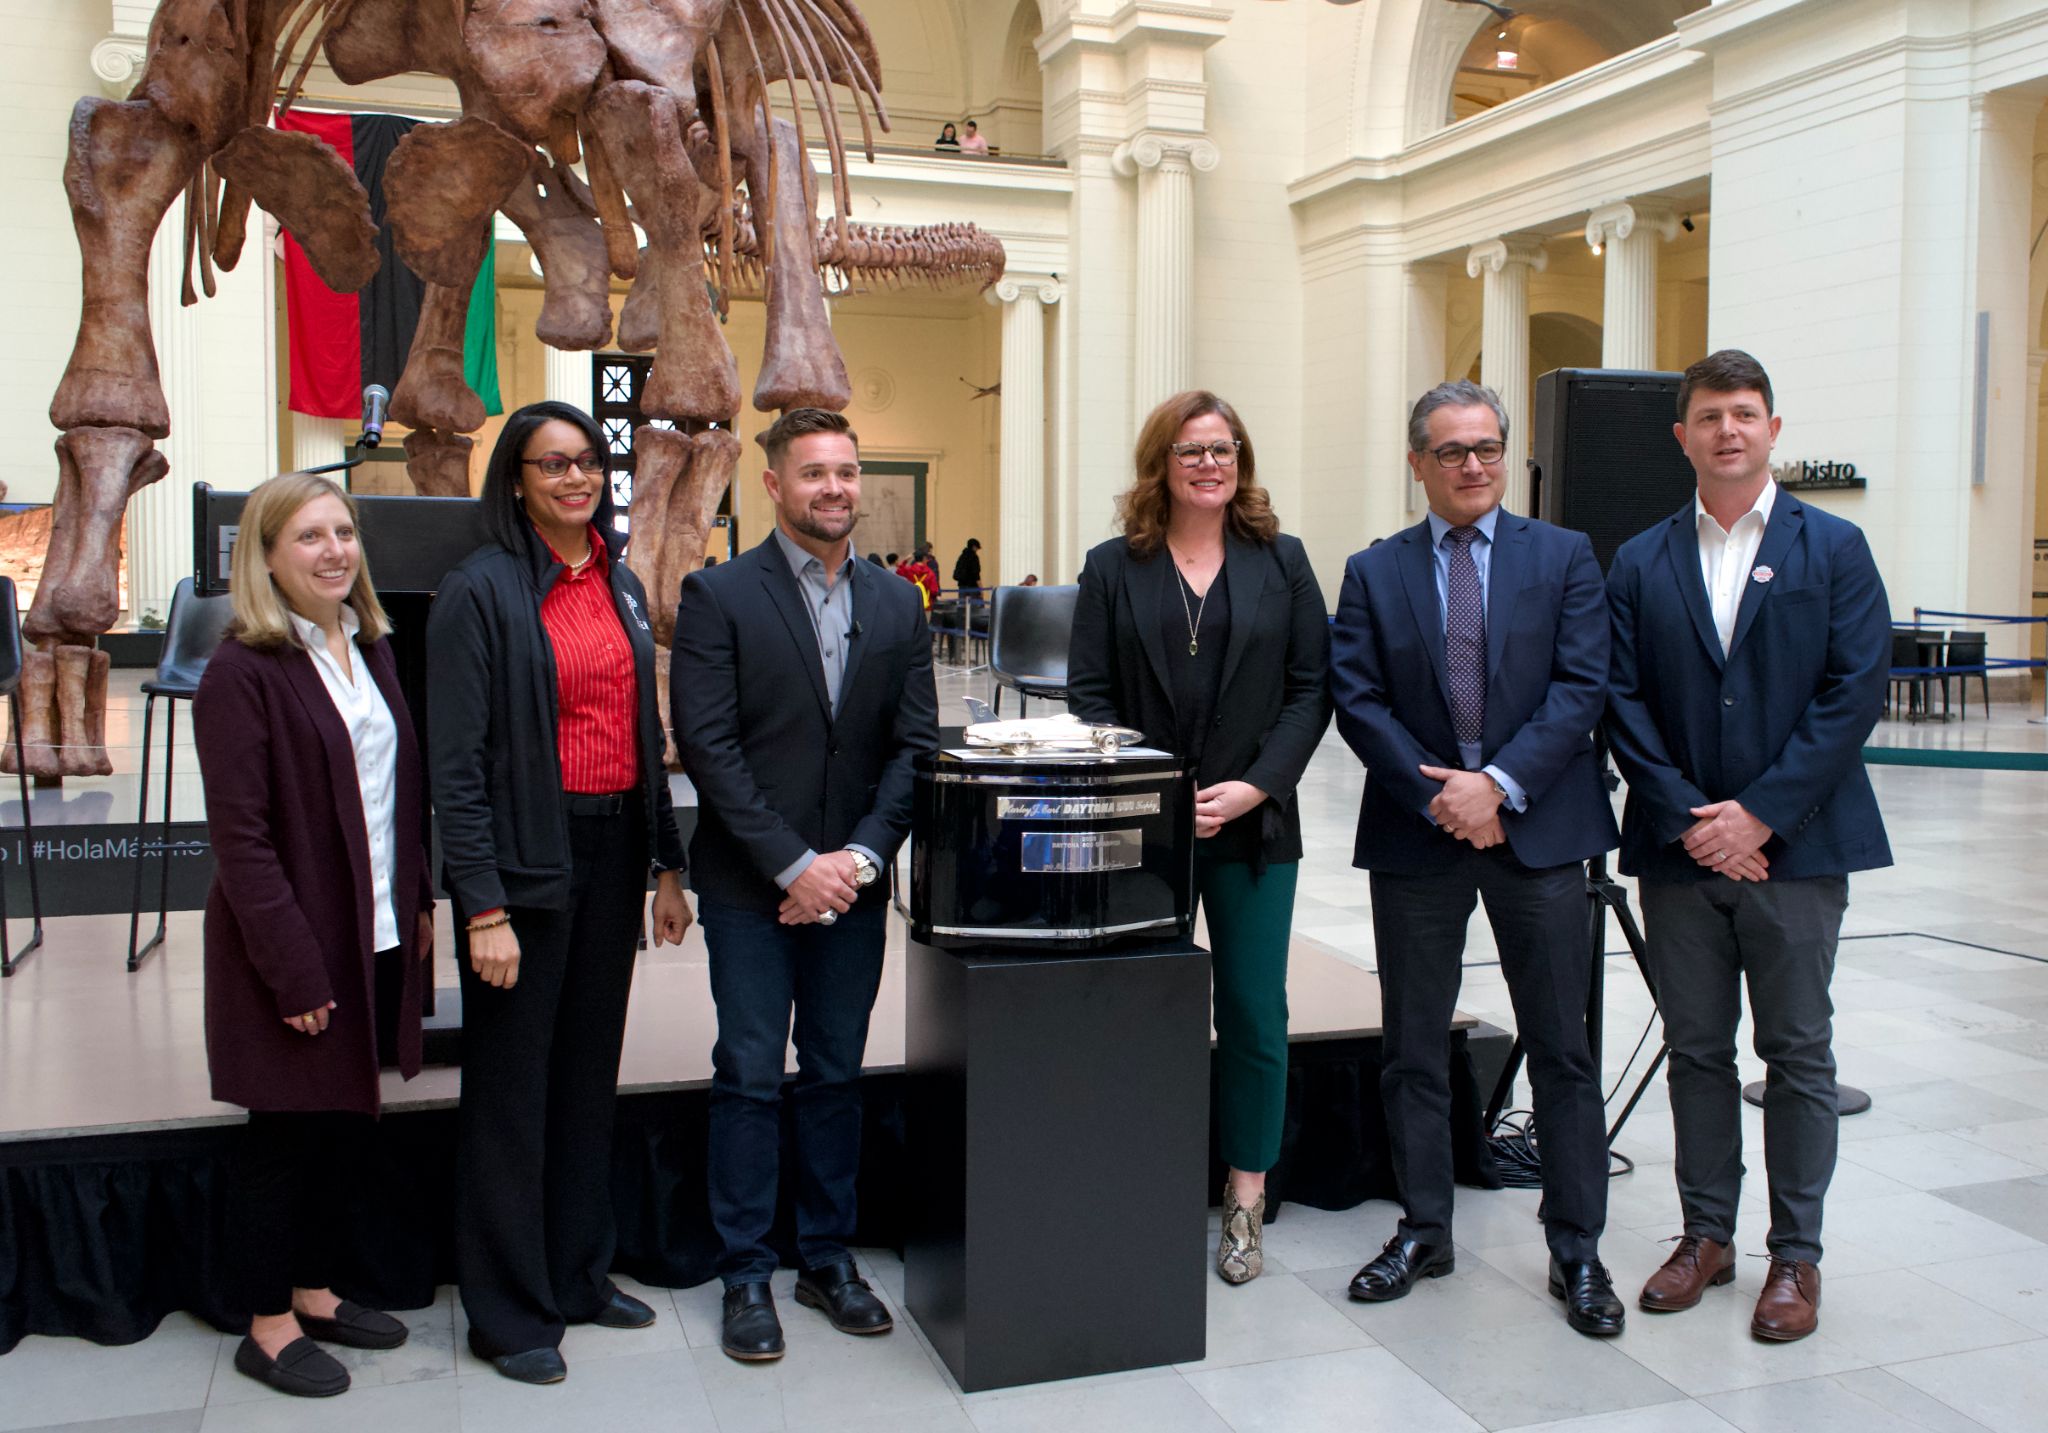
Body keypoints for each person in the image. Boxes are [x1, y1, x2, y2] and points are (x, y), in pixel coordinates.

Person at [1604, 350, 1891, 1342]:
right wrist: (1693, 815)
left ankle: (1795, 1258)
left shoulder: (1835, 549)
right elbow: (1619, 699)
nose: (1727, 429)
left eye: (1744, 412)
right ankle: (1704, 1234)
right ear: (1679, 435)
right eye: (1707, 416)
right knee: (1694, 1051)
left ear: (1772, 428)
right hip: (1680, 852)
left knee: (1796, 1051)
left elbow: (1852, 691)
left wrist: (1757, 813)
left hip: (1796, 852)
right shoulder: (1638, 560)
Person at [1330, 380, 1624, 1336]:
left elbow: (1584, 686)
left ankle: (1576, 1245)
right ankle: (1425, 1228)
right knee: (1413, 1048)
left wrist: (1496, 785)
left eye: (1488, 447)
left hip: (1537, 831)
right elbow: (1357, 698)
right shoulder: (1375, 570)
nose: (1473, 465)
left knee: (1562, 1050)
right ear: (1417, 462)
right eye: (1452, 450)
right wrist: (1443, 796)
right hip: (1421, 838)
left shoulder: (1566, 556)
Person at [427, 400, 692, 1385]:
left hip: (613, 852)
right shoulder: (481, 591)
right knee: (510, 1094)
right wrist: (481, 904)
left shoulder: (617, 585)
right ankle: (506, 1307)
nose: (575, 479)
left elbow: (639, 734)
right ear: (516, 479)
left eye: (586, 462)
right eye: (552, 465)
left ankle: (579, 1272)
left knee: (585, 1079)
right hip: (524, 870)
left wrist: (667, 863)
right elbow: (454, 768)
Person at [673, 407, 939, 1363]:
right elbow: (710, 747)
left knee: (834, 1073)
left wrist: (857, 863)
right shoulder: (719, 595)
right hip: (754, 889)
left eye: (848, 471)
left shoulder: (899, 602)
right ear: (774, 484)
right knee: (748, 1072)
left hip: (854, 889)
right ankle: (745, 1270)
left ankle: (827, 1255)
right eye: (814, 472)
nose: (835, 487)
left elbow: (914, 748)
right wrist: (795, 866)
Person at [1068, 391, 1332, 1286]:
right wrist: (1159, 788)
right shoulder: (1115, 566)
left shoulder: (1283, 562)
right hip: (1145, 829)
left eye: (1223, 448)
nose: (1210, 463)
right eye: (1191, 450)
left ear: (1241, 460)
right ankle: (1142, 1181)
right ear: (1162, 462)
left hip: (1256, 827)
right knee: (1144, 1006)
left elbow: (1310, 691)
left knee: (1256, 1013)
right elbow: (1090, 697)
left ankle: (1245, 1200)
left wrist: (1257, 786)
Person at [193, 472, 434, 1398]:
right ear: (266, 557)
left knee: (343, 1126)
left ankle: (317, 1287)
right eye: (309, 537)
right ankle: (266, 1320)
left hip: (372, 929)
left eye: (344, 532)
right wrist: (292, 971)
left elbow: (394, 793)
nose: (335, 550)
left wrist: (414, 905)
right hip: (292, 944)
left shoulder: (368, 648)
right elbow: (242, 843)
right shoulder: (240, 672)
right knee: (284, 1135)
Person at [952, 537, 983, 601]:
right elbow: (976, 574)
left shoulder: (962, 557)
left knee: (962, 608)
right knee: (974, 609)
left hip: (962, 587)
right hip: (972, 588)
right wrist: (981, 589)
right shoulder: (974, 557)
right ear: (974, 547)